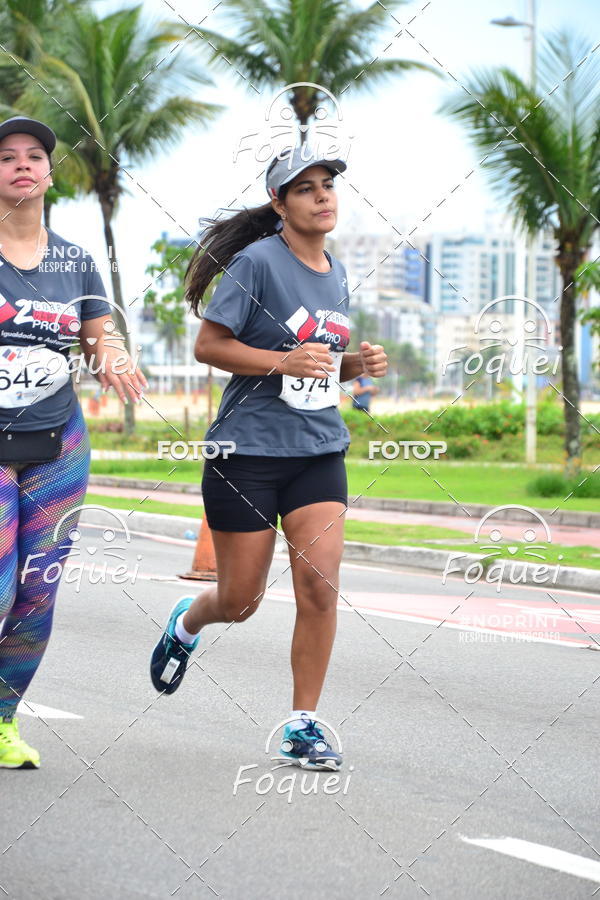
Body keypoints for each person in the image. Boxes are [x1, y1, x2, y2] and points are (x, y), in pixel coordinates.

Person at [150, 145, 387, 770]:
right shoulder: (257, 263)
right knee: (240, 601)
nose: (322, 195)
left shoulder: (335, 271)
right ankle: (188, 621)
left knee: (319, 587)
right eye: (305, 188)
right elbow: (210, 344)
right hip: (246, 454)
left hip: (317, 451)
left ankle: (301, 724)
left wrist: (357, 368)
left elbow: (318, 363)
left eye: (328, 184)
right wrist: (283, 361)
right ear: (279, 204)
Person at [0, 117, 147, 768]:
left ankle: (2, 720)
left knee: (38, 585)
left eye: (34, 156)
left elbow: (98, 331)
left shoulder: (74, 259)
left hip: (58, 439)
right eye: (6, 158)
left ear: (50, 175)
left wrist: (113, 358)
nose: (22, 165)